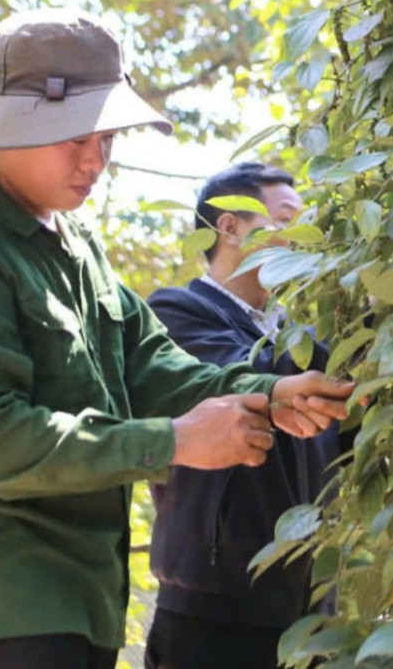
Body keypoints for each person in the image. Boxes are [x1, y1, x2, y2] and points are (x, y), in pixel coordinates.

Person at [0, 10, 354, 669]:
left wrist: (272, 393)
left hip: (83, 601)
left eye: (106, 138)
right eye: (75, 136)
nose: (95, 159)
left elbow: (156, 368)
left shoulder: (75, 247)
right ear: (10, 127)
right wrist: (175, 441)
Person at [144, 162, 348, 669]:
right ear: (229, 226)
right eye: (287, 220)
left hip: (311, 612)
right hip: (215, 606)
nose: (303, 238)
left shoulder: (307, 335)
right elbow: (256, 380)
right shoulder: (174, 314)